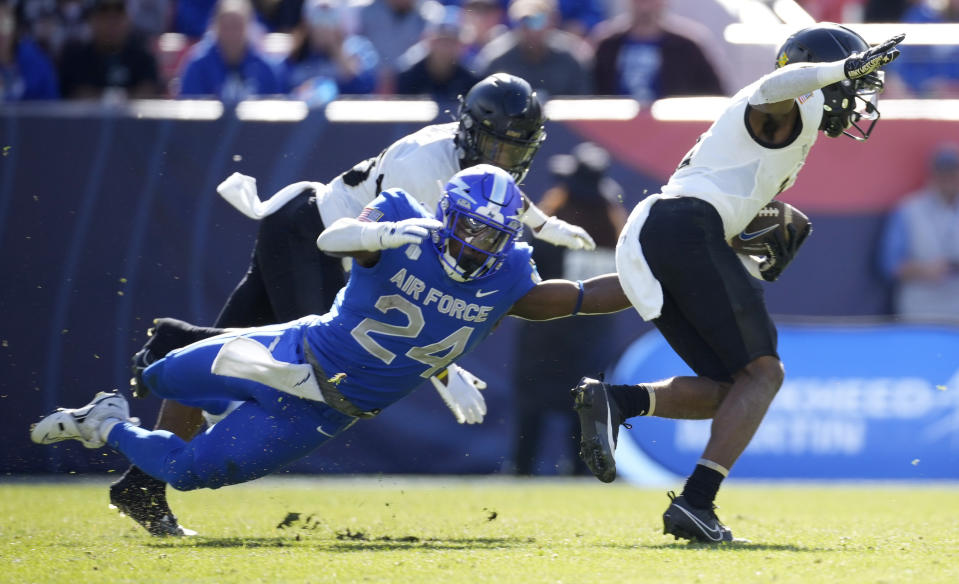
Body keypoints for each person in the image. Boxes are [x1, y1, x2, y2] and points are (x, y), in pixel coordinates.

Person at [106, 72, 597, 536]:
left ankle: (141, 487)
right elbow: (418, 286)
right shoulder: (423, 170)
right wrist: (443, 369)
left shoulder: (468, 166)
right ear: (469, 132)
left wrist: (546, 226)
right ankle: (174, 340)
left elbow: (502, 190)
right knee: (316, 363)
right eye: (495, 145)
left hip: (307, 234)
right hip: (314, 239)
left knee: (227, 350)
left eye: (514, 149)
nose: (503, 158)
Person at [30, 165, 632, 516]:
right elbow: (331, 239)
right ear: (447, 215)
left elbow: (581, 298)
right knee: (158, 373)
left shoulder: (508, 277)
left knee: (191, 473)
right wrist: (386, 233)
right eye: (471, 226)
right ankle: (143, 446)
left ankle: (106, 425)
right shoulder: (404, 225)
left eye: (494, 234)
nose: (480, 243)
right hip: (291, 350)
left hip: (323, 411)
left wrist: (657, 281)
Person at [571, 23, 904, 543]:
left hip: (672, 229)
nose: (860, 97)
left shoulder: (796, 123)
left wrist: (750, 228)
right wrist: (840, 69)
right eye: (855, 81)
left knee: (730, 390)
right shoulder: (782, 101)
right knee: (764, 374)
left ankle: (619, 401)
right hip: (683, 226)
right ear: (820, 75)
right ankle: (696, 504)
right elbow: (773, 88)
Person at [511, 142, 627, 475]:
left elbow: (528, 274)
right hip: (591, 338)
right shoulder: (612, 232)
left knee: (531, 413)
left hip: (545, 332)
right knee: (584, 409)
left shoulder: (554, 230)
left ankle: (521, 470)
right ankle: (582, 472)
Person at [878, 143, 959, 320]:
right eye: (942, 171)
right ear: (932, 174)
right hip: (920, 311)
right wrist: (923, 270)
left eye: (953, 171)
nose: (948, 177)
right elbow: (888, 264)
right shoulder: (908, 209)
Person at [591, 0, 723, 101]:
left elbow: (715, 95)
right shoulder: (607, 45)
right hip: (614, 130)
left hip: (673, 131)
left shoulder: (687, 47)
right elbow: (589, 93)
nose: (645, 6)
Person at [474, 0, 593, 97]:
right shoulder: (495, 58)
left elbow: (582, 100)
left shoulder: (571, 57)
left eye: (537, 21)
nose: (530, 29)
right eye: (523, 22)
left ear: (552, 21)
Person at [177, 0, 284, 100]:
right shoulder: (197, 65)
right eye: (226, 26)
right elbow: (189, 111)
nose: (232, 34)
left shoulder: (265, 68)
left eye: (237, 26)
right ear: (215, 26)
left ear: (249, 27)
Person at [282, 0, 379, 105]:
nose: (324, 26)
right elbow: (281, 89)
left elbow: (365, 87)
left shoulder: (359, 47)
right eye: (319, 18)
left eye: (331, 18)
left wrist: (336, 49)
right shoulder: (296, 53)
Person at [58, 0, 161, 99]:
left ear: (128, 20)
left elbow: (149, 93)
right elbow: (74, 96)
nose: (111, 24)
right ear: (91, 21)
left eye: (117, 18)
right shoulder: (75, 60)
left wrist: (102, 97)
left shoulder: (143, 58)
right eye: (105, 17)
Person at [395, 5, 479, 102]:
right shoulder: (408, 76)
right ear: (428, 41)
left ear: (461, 45)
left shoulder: (471, 78)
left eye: (451, 41)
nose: (445, 47)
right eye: (440, 41)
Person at [0, 0, 59, 101]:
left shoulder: (37, 61)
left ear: (14, 28)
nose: (1, 33)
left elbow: (51, 108)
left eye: (5, 24)